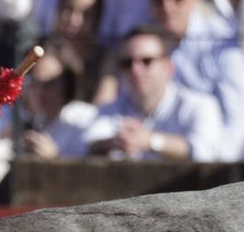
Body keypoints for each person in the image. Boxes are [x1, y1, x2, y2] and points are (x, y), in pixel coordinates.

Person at [146, 0, 244, 159]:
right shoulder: (140, 44)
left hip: (210, 163)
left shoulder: (223, 45)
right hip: (152, 158)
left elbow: (239, 124)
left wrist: (212, 167)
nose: (167, 8)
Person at [84, 23, 225, 160]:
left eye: (147, 61)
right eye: (127, 63)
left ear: (168, 66)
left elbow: (204, 152)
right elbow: (87, 145)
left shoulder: (200, 106)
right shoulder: (109, 110)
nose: (136, 70)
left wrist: (152, 141)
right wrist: (116, 142)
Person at [17, 48, 97, 158]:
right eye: (35, 82)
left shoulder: (85, 117)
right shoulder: (25, 119)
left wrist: (55, 158)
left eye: (49, 84)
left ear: (68, 84)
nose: (40, 92)